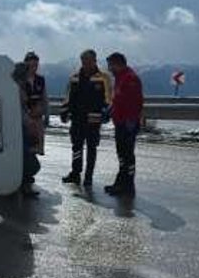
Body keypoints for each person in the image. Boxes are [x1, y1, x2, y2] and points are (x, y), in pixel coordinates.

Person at [60, 49, 112, 187]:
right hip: (77, 118)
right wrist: (64, 111)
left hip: (93, 119)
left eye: (88, 60)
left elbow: (108, 98)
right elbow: (67, 96)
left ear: (95, 60)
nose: (85, 63)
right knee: (76, 147)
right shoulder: (74, 77)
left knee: (91, 148)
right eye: (83, 60)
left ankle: (88, 176)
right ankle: (75, 174)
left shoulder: (103, 77)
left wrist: (106, 112)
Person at [103, 52, 143, 196]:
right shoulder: (120, 78)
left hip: (127, 124)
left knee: (127, 155)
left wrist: (130, 122)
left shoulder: (130, 78)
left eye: (110, 65)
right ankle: (120, 183)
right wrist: (109, 110)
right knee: (122, 155)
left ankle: (128, 185)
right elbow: (118, 100)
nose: (109, 69)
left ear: (117, 64)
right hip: (120, 122)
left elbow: (134, 103)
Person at [13, 61, 41, 196]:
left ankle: (22, 184)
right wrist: (29, 122)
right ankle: (24, 186)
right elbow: (19, 111)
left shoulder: (18, 87)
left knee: (25, 158)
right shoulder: (16, 89)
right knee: (27, 160)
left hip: (20, 128)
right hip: (20, 129)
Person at [23, 51, 48, 156]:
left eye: (36, 65)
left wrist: (47, 114)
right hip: (25, 117)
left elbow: (44, 98)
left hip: (37, 116)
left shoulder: (40, 80)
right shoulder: (20, 80)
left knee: (37, 146)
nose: (34, 67)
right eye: (32, 64)